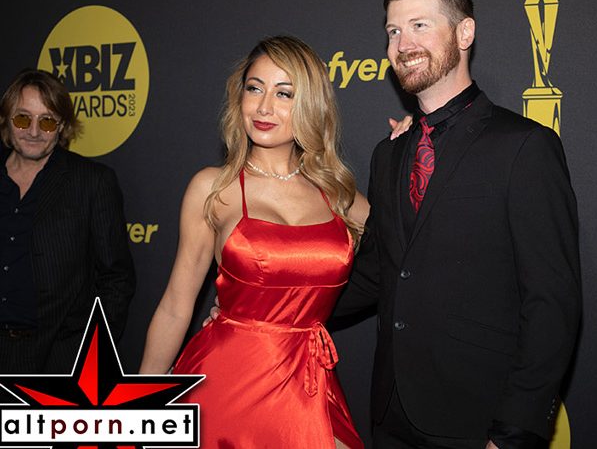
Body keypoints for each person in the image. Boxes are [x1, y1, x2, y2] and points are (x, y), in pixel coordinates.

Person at [333, 0, 582, 448]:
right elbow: (376, 273)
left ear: (464, 33)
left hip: (477, 421)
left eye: (420, 25)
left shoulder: (524, 146)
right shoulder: (388, 154)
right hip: (390, 414)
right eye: (394, 31)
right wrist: (268, 309)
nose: (403, 43)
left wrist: (512, 433)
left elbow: (552, 303)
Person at [139, 36, 369, 449]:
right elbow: (175, 306)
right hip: (221, 385)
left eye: (284, 93)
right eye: (254, 88)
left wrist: (412, 147)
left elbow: (408, 257)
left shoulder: (339, 195)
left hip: (308, 386)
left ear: (310, 104)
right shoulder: (213, 187)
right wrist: (137, 405)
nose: (263, 107)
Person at [0, 69, 135, 374]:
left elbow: (116, 279)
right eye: (23, 118)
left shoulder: (91, 182)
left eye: (47, 121)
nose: (34, 131)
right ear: (7, 119)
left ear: (61, 126)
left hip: (57, 361)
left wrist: (87, 356)